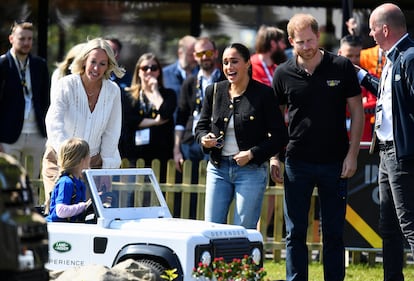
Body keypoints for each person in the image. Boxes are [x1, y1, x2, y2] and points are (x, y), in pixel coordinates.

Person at [271, 13, 364, 281]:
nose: (308, 46)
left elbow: (356, 111)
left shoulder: (341, 66)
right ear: (291, 41)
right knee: (295, 232)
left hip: (335, 161)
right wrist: (275, 158)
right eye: (301, 42)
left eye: (311, 40)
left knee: (334, 232)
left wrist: (352, 154)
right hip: (296, 162)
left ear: (318, 36)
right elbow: (277, 119)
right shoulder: (282, 72)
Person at [195, 43, 287, 229]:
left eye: (234, 61)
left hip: (251, 171)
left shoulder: (264, 94)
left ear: (248, 63)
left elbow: (280, 136)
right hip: (217, 169)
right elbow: (201, 127)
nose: (229, 67)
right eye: (225, 62)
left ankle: (242, 260)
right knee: (211, 229)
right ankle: (213, 260)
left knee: (242, 230)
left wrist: (252, 153)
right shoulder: (213, 91)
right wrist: (204, 139)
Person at [358, 4, 414, 281]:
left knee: (409, 224)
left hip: (403, 153)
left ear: (385, 29)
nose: (369, 34)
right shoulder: (393, 57)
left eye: (372, 28)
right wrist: (360, 75)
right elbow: (389, 96)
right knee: (388, 225)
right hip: (386, 151)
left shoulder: (410, 57)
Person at [42, 37, 124, 214]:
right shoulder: (66, 84)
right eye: (93, 61)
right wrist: (69, 158)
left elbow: (112, 131)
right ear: (84, 60)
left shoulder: (113, 91)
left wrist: (106, 170)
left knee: (88, 215)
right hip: (60, 159)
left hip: (93, 162)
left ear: (108, 65)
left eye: (102, 63)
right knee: (59, 213)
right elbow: (53, 122)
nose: (96, 68)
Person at [0, 20, 50, 179]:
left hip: (36, 135)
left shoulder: (39, 65)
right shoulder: (2, 64)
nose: (26, 43)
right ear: (11, 39)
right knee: (9, 184)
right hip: (8, 136)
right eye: (22, 38)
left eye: (30, 39)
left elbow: (45, 100)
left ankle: (32, 206)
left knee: (32, 184)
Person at [120, 53, 176, 183]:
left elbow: (166, 114)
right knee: (132, 198)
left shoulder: (168, 94)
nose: (149, 71)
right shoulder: (128, 95)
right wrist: (156, 121)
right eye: (145, 68)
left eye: (154, 68)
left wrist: (155, 92)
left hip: (161, 156)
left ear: (159, 72)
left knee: (158, 199)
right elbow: (129, 121)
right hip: (134, 156)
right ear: (138, 71)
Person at [174, 37, 225, 180]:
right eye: (200, 54)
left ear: (215, 53)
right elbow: (181, 117)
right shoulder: (189, 82)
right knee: (190, 190)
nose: (204, 57)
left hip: (217, 142)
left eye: (208, 53)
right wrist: (177, 149)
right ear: (195, 57)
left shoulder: (225, 80)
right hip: (191, 142)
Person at [337, 35, 377, 142]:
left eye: (357, 55)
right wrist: (359, 105)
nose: (354, 60)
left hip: (363, 140)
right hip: (336, 140)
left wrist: (348, 107)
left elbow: (376, 105)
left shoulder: (368, 77)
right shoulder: (330, 78)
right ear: (339, 53)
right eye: (349, 56)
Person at [46, 137, 92, 223]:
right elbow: (61, 211)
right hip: (58, 228)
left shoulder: (80, 182)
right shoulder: (66, 182)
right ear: (81, 161)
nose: (90, 158)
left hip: (70, 227)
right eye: (88, 155)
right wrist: (84, 206)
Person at [163, 35, 199, 104]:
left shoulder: (202, 74)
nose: (195, 58)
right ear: (180, 53)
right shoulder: (165, 75)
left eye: (197, 55)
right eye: (191, 55)